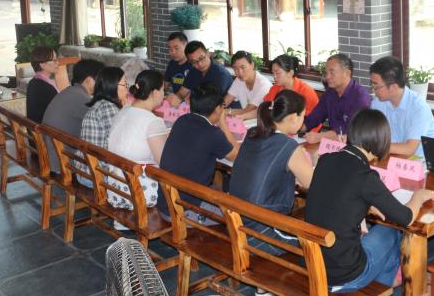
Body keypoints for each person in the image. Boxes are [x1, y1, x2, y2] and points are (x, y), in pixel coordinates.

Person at [305, 108, 434, 293]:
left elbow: (341, 195)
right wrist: (418, 197)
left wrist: (367, 203)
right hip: (344, 276)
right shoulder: (365, 176)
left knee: (381, 239)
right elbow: (406, 217)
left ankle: (384, 285)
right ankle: (387, 284)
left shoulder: (326, 160)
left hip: (313, 264)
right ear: (380, 142)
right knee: (391, 231)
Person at [228, 90, 313, 253]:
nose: (303, 121)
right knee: (315, 248)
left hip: (236, 221)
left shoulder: (253, 133)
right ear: (293, 117)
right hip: (260, 232)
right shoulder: (288, 145)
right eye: (303, 116)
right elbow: (312, 183)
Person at [157, 83, 239, 221]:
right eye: (222, 106)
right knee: (238, 218)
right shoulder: (213, 133)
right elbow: (236, 156)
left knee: (217, 191)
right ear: (217, 109)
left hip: (165, 203)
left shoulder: (182, 120)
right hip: (185, 210)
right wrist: (222, 123)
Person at [107, 70, 170, 209]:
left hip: (115, 187)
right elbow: (165, 162)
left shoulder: (123, 111)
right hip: (138, 193)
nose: (164, 95)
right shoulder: (152, 121)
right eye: (163, 90)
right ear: (155, 92)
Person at [42, 58, 105, 173]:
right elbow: (104, 128)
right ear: (89, 80)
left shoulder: (70, 92)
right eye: (100, 80)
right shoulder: (81, 98)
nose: (102, 84)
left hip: (52, 156)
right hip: (64, 163)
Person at [369, 56, 434, 158]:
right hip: (389, 159)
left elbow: (409, 149)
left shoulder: (419, 108)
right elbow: (372, 134)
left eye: (376, 86)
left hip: (417, 163)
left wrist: (375, 147)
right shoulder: (377, 103)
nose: (373, 90)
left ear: (393, 87)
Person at [76, 67, 129, 186]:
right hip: (94, 175)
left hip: (85, 169)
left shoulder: (100, 103)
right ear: (112, 86)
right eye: (125, 84)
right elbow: (120, 144)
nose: (127, 88)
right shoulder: (108, 108)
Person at [303, 53, 371, 143]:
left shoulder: (360, 97)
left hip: (354, 145)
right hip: (333, 144)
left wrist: (320, 137)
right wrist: (298, 126)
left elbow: (350, 132)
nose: (327, 77)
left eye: (332, 72)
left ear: (347, 73)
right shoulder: (330, 93)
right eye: (326, 72)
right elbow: (315, 117)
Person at [168, 41, 233, 106]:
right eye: (194, 62)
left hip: (227, 109)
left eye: (201, 58)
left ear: (208, 54)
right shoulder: (194, 71)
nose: (200, 64)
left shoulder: (221, 74)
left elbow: (213, 103)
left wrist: (191, 100)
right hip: (201, 109)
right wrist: (175, 98)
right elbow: (182, 93)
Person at [223, 50, 271, 120]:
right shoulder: (238, 80)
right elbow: (226, 101)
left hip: (262, 122)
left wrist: (227, 111)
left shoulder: (263, 85)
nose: (240, 72)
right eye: (235, 69)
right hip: (246, 120)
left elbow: (248, 110)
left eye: (243, 67)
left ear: (252, 65)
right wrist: (218, 108)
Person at [26, 46, 59, 123]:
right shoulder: (46, 88)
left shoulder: (34, 81)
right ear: (42, 65)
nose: (58, 63)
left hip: (35, 127)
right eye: (54, 60)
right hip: (44, 129)